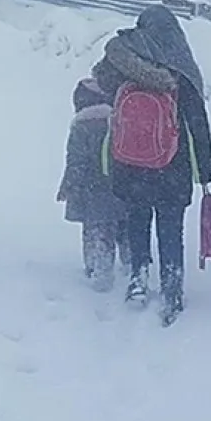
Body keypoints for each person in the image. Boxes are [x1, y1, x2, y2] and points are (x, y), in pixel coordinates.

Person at [92, 6, 211, 326]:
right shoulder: (181, 69)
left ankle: (138, 278)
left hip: (130, 163)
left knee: (137, 219)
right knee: (170, 227)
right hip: (172, 167)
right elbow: (197, 123)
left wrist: (124, 57)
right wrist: (205, 169)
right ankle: (172, 286)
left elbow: (99, 78)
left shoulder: (125, 63)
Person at [57, 76, 131, 292]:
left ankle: (99, 271)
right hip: (123, 186)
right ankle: (131, 264)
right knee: (125, 228)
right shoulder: (119, 118)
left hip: (93, 190)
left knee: (97, 231)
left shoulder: (81, 124)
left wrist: (68, 185)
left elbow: (76, 161)